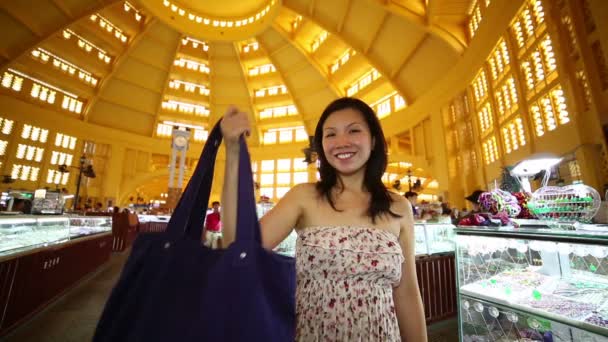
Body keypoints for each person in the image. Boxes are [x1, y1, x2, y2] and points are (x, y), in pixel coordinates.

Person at [220, 97, 427, 341]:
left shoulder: (398, 207)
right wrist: (233, 150)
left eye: (354, 130)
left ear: (372, 141)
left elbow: (407, 293)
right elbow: (237, 247)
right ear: (321, 146)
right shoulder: (304, 197)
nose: (341, 142)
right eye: (330, 135)